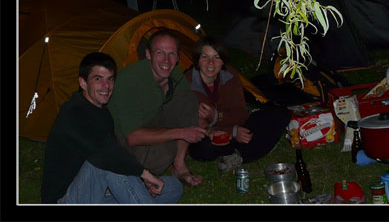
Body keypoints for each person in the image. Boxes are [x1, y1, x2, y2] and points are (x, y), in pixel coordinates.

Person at [41, 52, 182, 204]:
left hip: (97, 194)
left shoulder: (103, 112)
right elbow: (107, 155)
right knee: (105, 162)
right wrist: (145, 174)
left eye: (110, 79)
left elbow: (114, 157)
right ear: (83, 83)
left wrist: (141, 181)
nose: (106, 86)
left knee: (172, 186)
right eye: (98, 79)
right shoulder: (74, 111)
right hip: (68, 199)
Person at [107, 29, 209, 187]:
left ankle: (180, 166)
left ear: (178, 57)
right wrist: (181, 133)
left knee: (188, 98)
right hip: (122, 138)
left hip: (152, 120)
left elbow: (189, 109)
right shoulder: (130, 81)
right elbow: (132, 137)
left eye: (172, 54)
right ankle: (141, 173)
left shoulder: (174, 74)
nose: (166, 61)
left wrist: (208, 123)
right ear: (148, 54)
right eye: (160, 52)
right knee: (165, 151)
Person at [184, 36, 292, 173]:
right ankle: (250, 150)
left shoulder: (229, 75)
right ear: (197, 60)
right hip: (208, 136)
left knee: (281, 114)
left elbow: (241, 114)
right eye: (205, 57)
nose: (211, 63)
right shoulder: (187, 82)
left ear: (223, 61)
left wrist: (216, 116)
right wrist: (233, 132)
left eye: (216, 57)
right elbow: (192, 123)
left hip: (234, 129)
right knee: (204, 147)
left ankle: (237, 156)